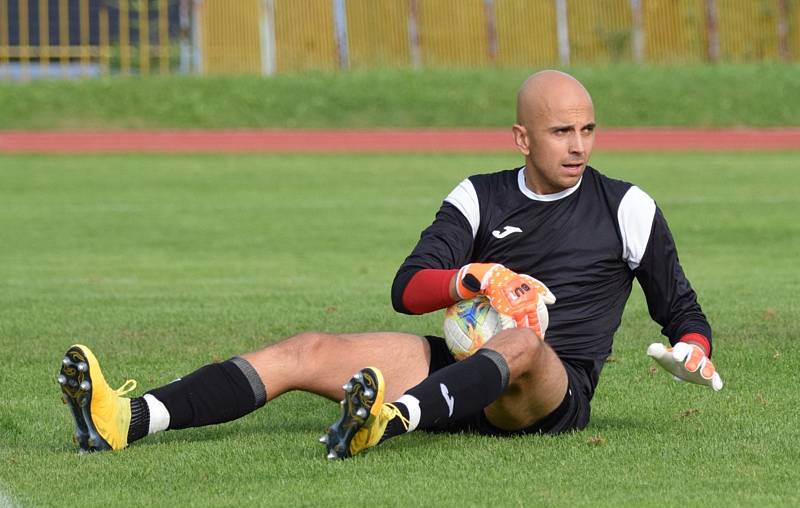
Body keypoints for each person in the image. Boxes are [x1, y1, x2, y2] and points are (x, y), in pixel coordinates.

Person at [57, 70, 723, 459]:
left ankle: (388, 418)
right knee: (306, 348)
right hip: (461, 366)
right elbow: (407, 288)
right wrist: (475, 276)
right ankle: (126, 419)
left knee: (521, 338)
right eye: (560, 131)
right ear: (522, 137)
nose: (578, 145)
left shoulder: (627, 206)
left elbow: (683, 311)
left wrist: (694, 348)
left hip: (550, 390)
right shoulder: (478, 196)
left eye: (587, 129)